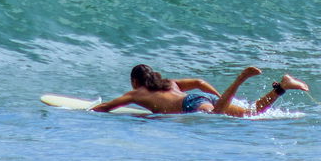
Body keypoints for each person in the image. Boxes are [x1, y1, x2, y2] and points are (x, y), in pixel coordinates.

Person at [93, 63, 308, 116]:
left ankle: (240, 78)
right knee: (252, 113)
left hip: (191, 105)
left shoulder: (136, 93)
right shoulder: (169, 83)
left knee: (217, 114)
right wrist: (216, 96)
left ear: (134, 81)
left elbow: (106, 107)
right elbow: (198, 81)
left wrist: (85, 111)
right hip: (198, 98)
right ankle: (282, 87)